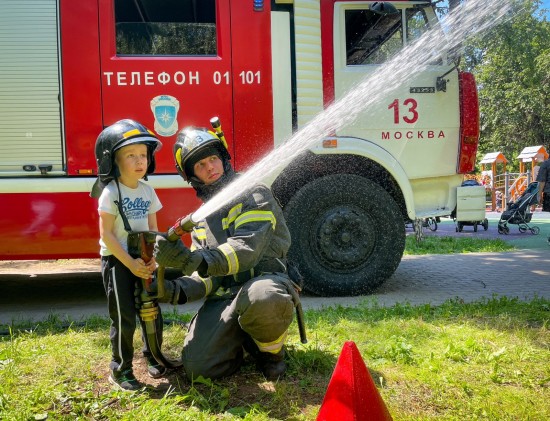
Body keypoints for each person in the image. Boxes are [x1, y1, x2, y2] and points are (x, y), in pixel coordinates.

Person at [154, 126, 299, 381]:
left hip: (263, 282)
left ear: (224, 158)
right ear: (192, 177)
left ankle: (271, 353)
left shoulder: (254, 194)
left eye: (213, 159)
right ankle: (243, 341)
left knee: (263, 298)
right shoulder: (201, 219)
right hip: (227, 297)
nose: (211, 167)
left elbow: (245, 251)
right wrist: (171, 289)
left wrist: (192, 260)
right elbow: (206, 277)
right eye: (200, 165)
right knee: (199, 368)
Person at [91, 119, 165, 391]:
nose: (139, 161)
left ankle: (154, 356)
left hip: (143, 260)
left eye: (143, 155)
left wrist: (152, 259)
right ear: (112, 161)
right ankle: (120, 369)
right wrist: (130, 264)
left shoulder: (148, 190)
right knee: (125, 317)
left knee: (151, 310)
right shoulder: (110, 193)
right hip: (117, 261)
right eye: (130, 155)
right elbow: (107, 236)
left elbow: (154, 229)